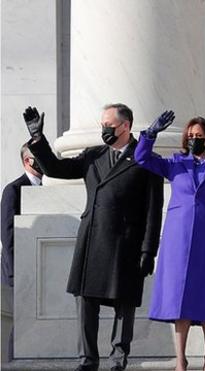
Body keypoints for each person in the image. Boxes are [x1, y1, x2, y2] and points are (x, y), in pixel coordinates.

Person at [23, 104, 164, 371]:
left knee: (124, 303)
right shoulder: (93, 155)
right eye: (102, 125)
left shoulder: (146, 160)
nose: (104, 130)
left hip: (127, 243)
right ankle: (87, 360)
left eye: (108, 125)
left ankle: (117, 360)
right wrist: (38, 140)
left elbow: (153, 210)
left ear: (125, 126)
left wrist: (149, 251)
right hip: (92, 240)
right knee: (85, 301)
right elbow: (55, 169)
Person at [135, 111, 205, 371]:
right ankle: (180, 359)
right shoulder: (175, 163)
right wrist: (151, 133)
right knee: (178, 298)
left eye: (199, 136)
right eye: (190, 135)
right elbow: (141, 158)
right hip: (177, 237)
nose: (194, 139)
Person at [1, 143, 43, 360]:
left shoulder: (47, 189)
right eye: (39, 157)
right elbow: (7, 235)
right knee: (21, 324)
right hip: (19, 271)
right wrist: (14, 273)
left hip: (40, 268)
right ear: (27, 161)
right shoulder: (13, 189)